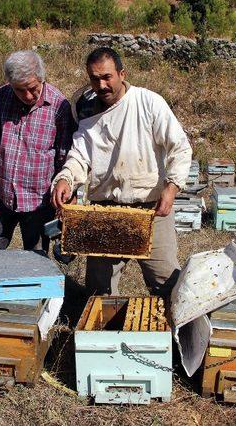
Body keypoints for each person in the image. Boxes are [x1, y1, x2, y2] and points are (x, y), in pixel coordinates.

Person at [51, 47, 192, 297]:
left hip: (151, 208)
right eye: (95, 78)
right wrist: (65, 178)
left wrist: (171, 188)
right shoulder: (86, 109)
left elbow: (179, 147)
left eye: (107, 77)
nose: (101, 84)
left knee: (167, 284)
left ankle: (175, 335)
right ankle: (104, 335)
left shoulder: (148, 102)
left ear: (121, 73)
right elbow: (80, 155)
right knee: (99, 291)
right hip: (105, 209)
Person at [0, 50, 74, 252]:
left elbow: (66, 158)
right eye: (20, 90)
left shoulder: (59, 105)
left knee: (36, 262)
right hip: (1, 197)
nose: (28, 96)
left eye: (33, 88)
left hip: (40, 202)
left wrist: (67, 196)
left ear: (41, 78)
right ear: (10, 84)